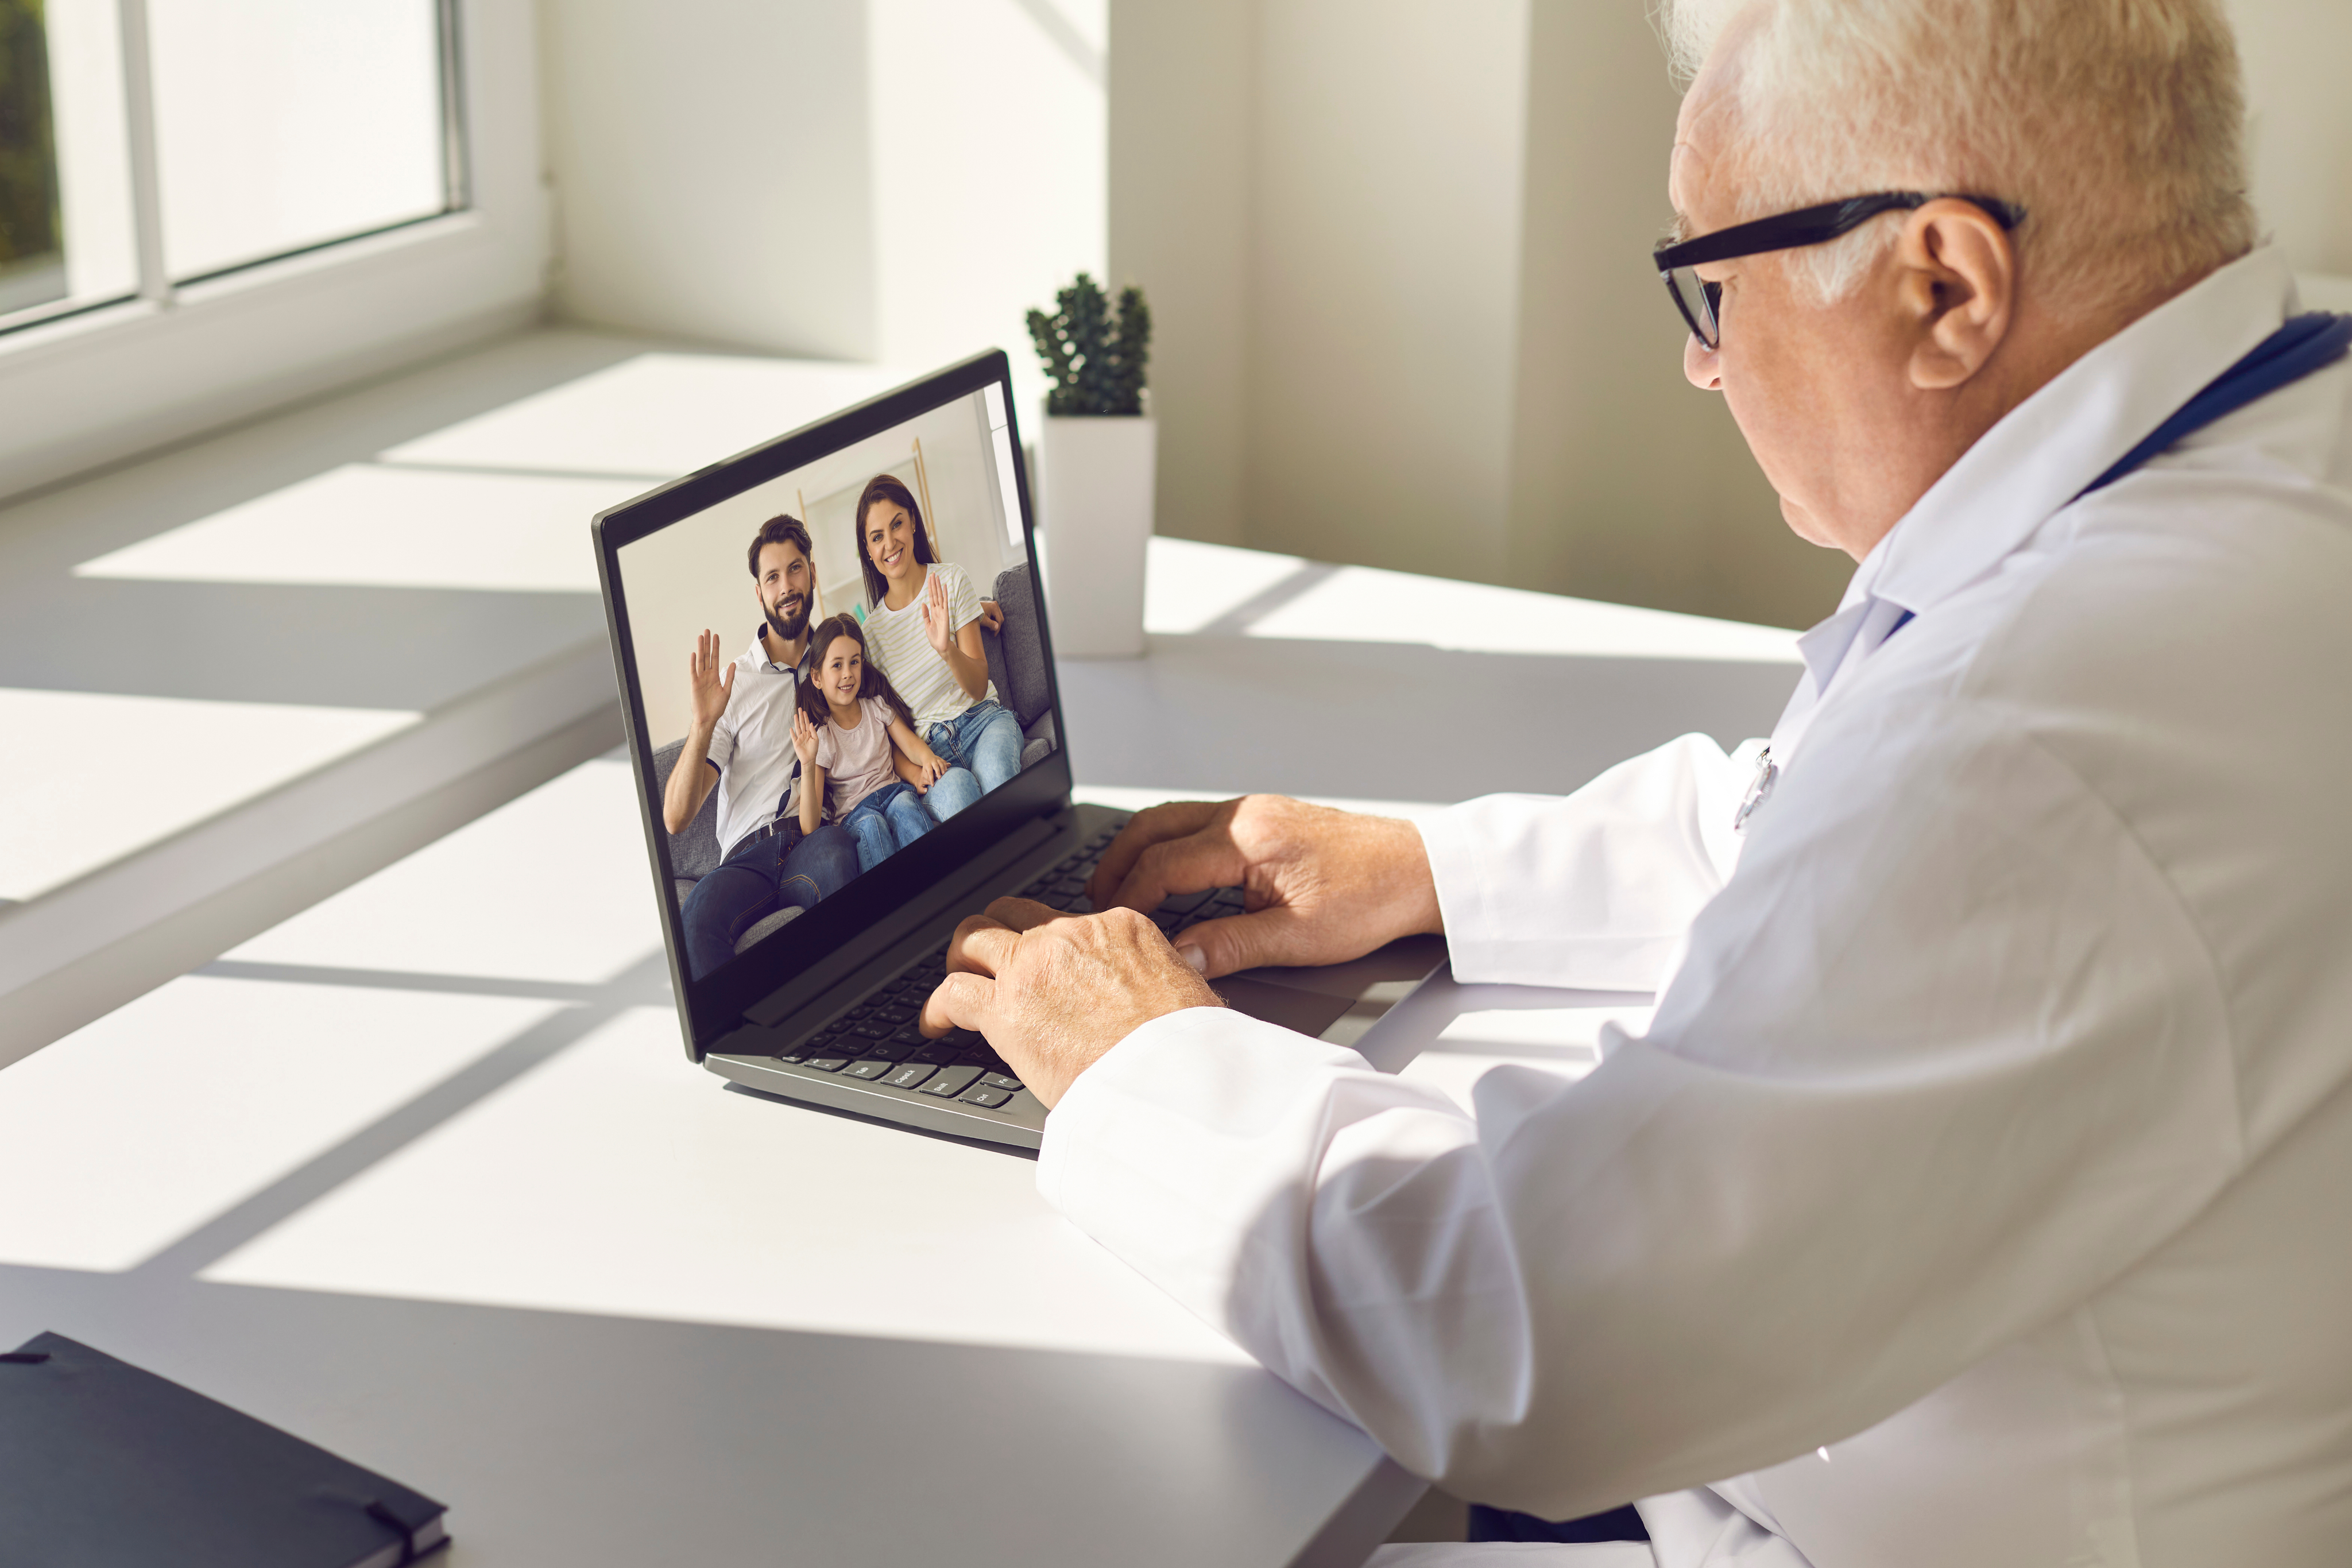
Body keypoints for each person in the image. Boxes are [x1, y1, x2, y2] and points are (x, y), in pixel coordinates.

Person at [914, 2, 2352, 1564]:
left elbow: (1531, 1335)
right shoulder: (2269, 454)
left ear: (1944, 286)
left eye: (1711, 283)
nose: (1699, 362)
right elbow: (1820, 821)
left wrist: (1144, 1060)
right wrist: (1431, 870)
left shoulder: (2046, 730)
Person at [665, 514, 860, 981]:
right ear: (759, 593)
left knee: (837, 855)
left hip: (811, 841)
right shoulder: (735, 685)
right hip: (745, 860)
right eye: (772, 577)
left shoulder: (839, 663)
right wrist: (702, 724)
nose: (786, 586)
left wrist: (970, 609)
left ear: (812, 573)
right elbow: (675, 817)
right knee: (693, 922)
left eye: (795, 569)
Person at [854, 474, 1026, 822]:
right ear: (869, 551)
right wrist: (913, 772)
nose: (890, 543)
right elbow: (885, 732)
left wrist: (947, 649)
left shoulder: (952, 580)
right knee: (960, 798)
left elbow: (978, 687)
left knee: (997, 777)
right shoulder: (869, 636)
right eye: (877, 537)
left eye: (897, 524)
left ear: (913, 522)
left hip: (983, 721)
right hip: (932, 753)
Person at [791, 613, 950, 873]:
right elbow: (809, 826)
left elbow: (909, 743)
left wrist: (927, 758)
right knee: (872, 825)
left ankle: (937, 878)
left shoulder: (876, 707)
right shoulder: (822, 738)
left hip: (894, 793)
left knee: (906, 806)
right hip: (857, 815)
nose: (848, 674)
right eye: (837, 665)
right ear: (817, 678)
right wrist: (808, 764)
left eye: (854, 662)